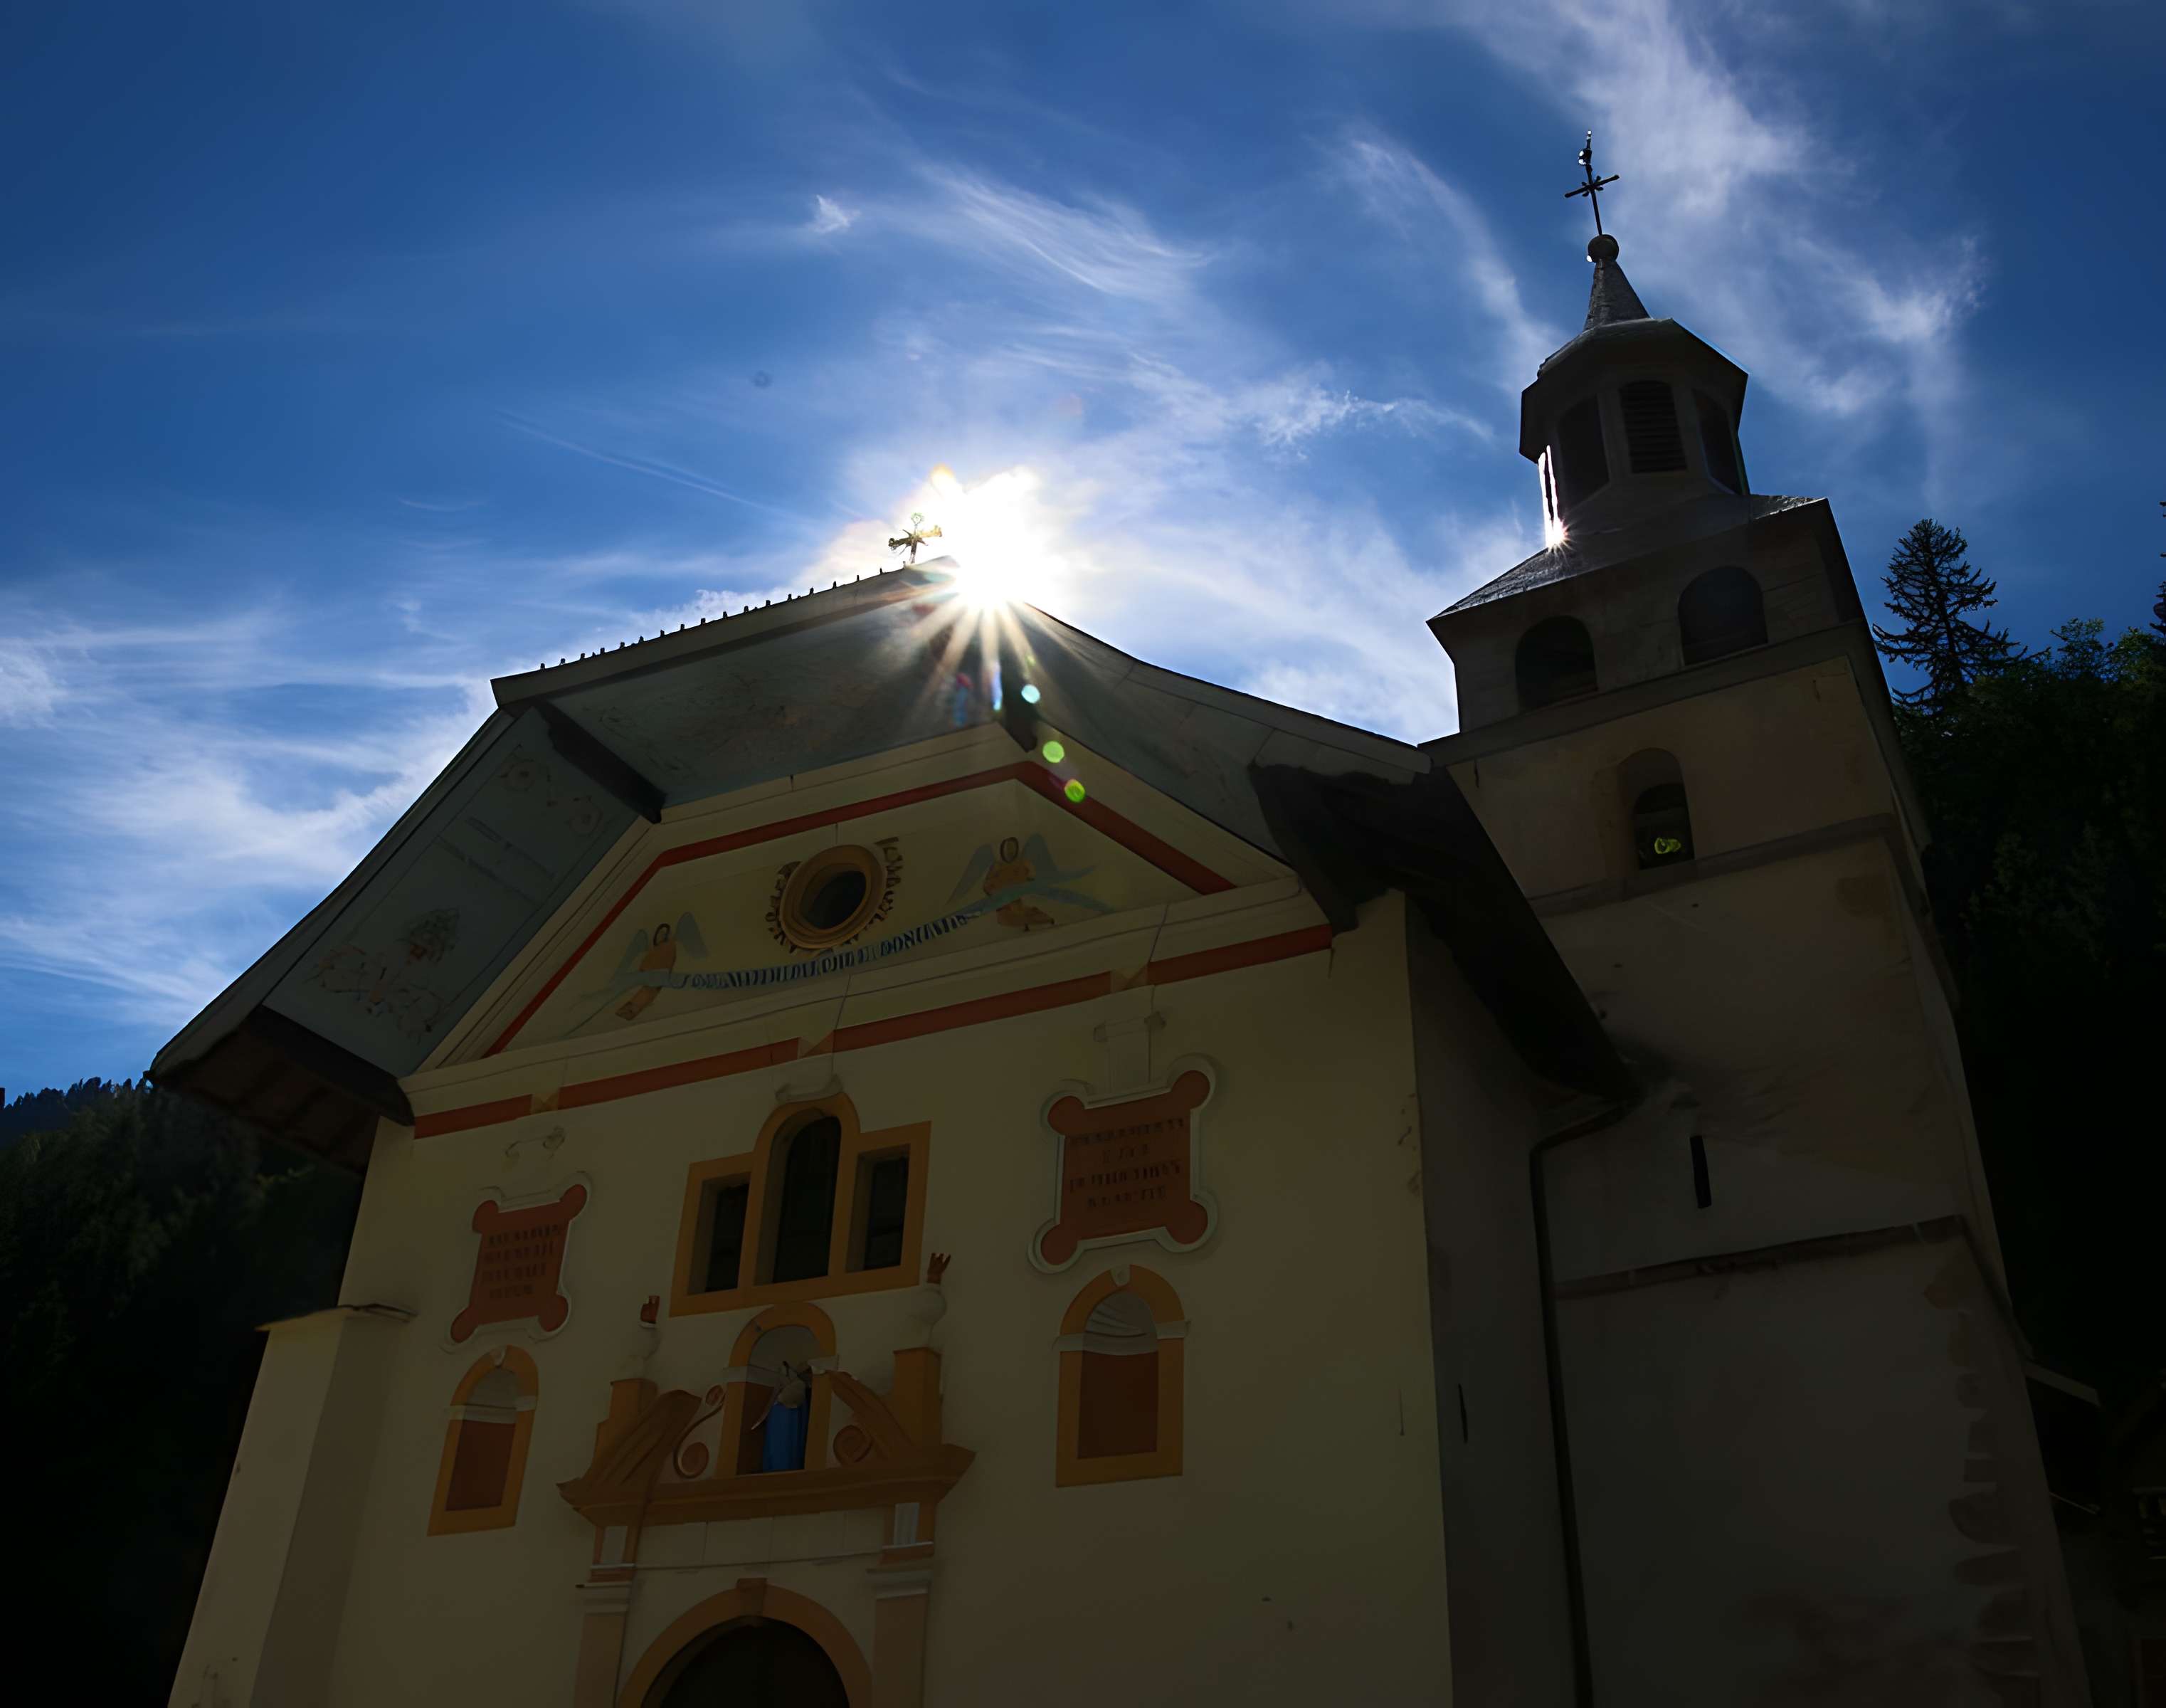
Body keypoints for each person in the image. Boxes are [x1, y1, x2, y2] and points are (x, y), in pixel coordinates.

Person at [753, 1360, 809, 1472]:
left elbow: (790, 1399)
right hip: (778, 1418)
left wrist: (780, 1398)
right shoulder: (788, 1384)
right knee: (774, 1446)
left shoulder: (798, 1385)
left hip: (788, 1420)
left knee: (785, 1448)